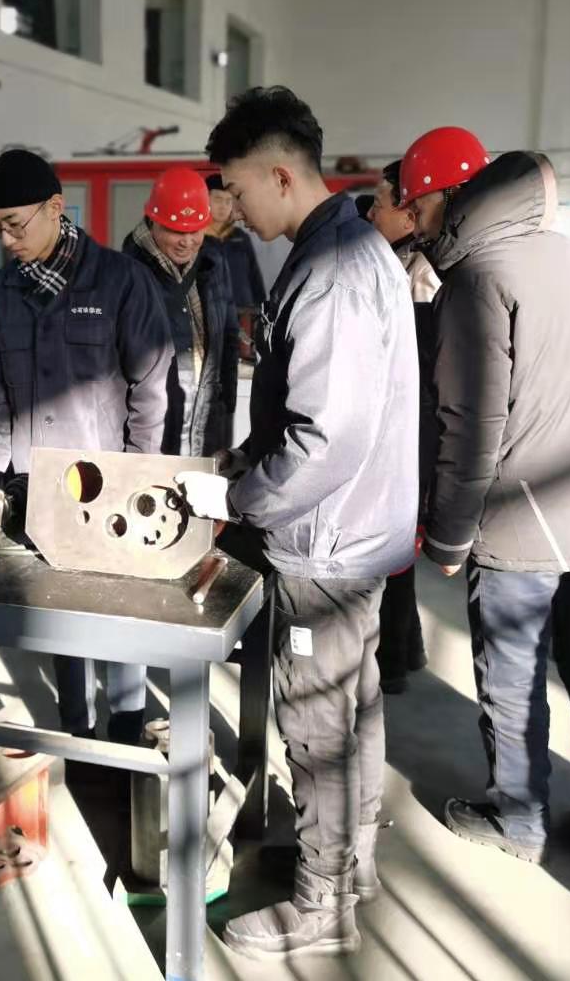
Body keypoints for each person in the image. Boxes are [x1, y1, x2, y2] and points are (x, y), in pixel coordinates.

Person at [175, 86, 418, 958]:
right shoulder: (345, 249)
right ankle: (350, 865)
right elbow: (309, 411)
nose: (231, 210)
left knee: (316, 727)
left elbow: (325, 441)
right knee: (355, 709)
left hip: (325, 543)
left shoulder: (332, 273)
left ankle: (321, 908)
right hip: (357, 534)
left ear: (281, 174)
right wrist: (247, 455)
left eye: (237, 190)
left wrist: (237, 501)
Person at [404, 126, 570, 864]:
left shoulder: (477, 278)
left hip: (521, 523)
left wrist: (448, 536)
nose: (413, 222)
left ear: (451, 197)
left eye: (417, 206)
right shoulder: (568, 256)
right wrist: (566, 407)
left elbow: (471, 423)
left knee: (512, 679)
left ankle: (517, 819)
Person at [0, 149, 174, 745]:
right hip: (38, 489)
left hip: (110, 487)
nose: (6, 240)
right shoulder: (1, 293)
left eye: (14, 224)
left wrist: (138, 478)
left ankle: (126, 729)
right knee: (59, 614)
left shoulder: (120, 281)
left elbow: (150, 389)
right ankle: (76, 731)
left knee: (118, 613)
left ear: (56, 207)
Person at [365, 160, 440, 694]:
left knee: (390, 546)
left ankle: (390, 660)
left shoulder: (421, 277)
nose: (371, 214)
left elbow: (417, 371)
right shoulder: (397, 261)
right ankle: (406, 649)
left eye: (379, 204)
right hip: (402, 428)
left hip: (408, 431)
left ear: (410, 215)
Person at [122, 166, 239, 457]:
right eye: (176, 231)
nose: (187, 242)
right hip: (151, 438)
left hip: (206, 431)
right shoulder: (124, 274)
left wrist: (224, 426)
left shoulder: (214, 263)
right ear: (153, 222)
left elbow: (228, 342)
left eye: (195, 230)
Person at [206, 172, 268, 310]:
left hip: (244, 311)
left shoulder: (241, 237)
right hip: (212, 312)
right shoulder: (196, 239)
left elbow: (254, 277)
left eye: (228, 201)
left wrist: (260, 308)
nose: (223, 206)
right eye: (217, 199)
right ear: (206, 199)